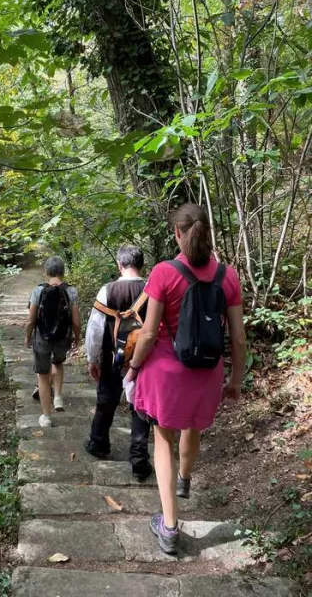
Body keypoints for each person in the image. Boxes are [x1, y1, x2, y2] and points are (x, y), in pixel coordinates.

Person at [125, 204, 247, 555]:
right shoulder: (229, 276)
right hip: (207, 372)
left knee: (163, 437)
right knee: (193, 426)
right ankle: (185, 478)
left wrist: (133, 368)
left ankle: (170, 527)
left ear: (177, 233)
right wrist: (235, 380)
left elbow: (148, 335)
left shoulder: (164, 272)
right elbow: (238, 338)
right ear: (206, 232)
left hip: (167, 371)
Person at [84, 245, 152, 481]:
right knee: (141, 406)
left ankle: (98, 442)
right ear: (142, 265)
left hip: (112, 356)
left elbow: (95, 328)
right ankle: (140, 459)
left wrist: (92, 358)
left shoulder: (108, 290)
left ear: (119, 265)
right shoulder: (151, 290)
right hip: (144, 359)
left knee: (106, 399)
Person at [25, 256, 81, 428]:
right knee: (57, 362)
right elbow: (76, 321)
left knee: (42, 376)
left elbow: (31, 320)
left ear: (47, 272)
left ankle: (46, 416)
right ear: (63, 272)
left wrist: (28, 337)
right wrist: (77, 338)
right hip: (62, 336)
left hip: (42, 337)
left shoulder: (38, 290)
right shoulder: (71, 291)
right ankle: (57, 397)